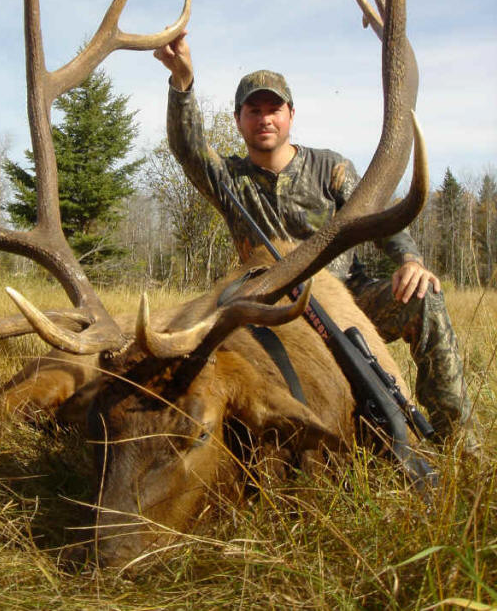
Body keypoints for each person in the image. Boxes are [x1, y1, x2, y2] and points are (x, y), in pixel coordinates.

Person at [154, 33, 476, 452]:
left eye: (274, 109)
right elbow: (188, 148)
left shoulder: (331, 168)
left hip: (348, 304)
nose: (265, 119)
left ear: (290, 115)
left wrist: (410, 259)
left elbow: (379, 217)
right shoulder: (229, 180)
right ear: (238, 120)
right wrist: (182, 83)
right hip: (273, 317)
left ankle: (460, 442)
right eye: (254, 110)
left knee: (425, 298)